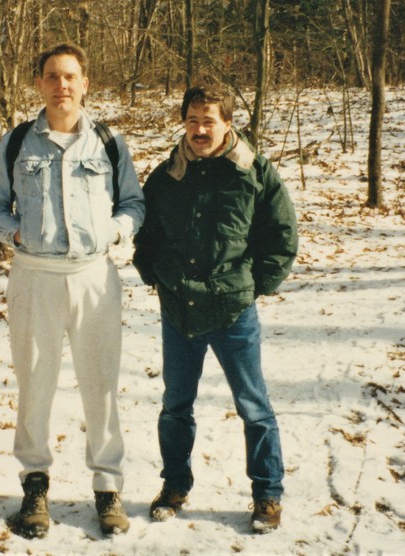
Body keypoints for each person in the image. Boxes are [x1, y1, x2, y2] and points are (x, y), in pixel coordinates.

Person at [0, 43, 144, 538]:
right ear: (39, 84)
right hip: (34, 278)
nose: (61, 85)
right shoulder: (14, 144)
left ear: (85, 83)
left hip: (94, 277)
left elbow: (134, 203)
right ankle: (34, 484)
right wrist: (16, 234)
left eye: (70, 76)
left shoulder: (109, 144)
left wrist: (114, 231)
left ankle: (107, 487)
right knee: (35, 384)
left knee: (102, 385)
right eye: (52, 76)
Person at [133, 84, 298, 533]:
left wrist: (253, 286)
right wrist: (155, 274)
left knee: (254, 407)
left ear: (228, 123)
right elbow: (145, 235)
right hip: (179, 310)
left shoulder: (253, 172)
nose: (199, 129)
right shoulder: (168, 174)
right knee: (175, 406)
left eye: (209, 120)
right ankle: (175, 485)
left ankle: (267, 493)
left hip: (233, 313)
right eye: (192, 120)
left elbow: (282, 235)